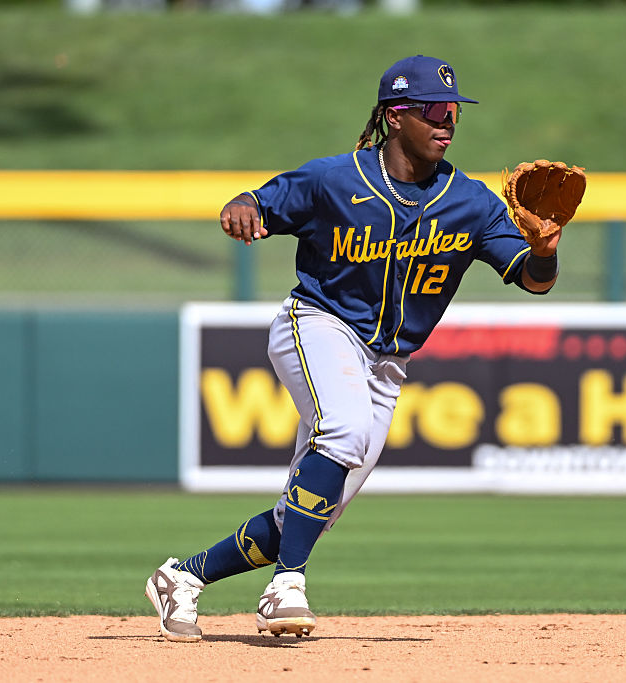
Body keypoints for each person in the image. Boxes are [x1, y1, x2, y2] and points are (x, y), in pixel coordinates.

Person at [145, 55, 564, 642]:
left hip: (388, 365)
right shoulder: (334, 180)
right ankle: (286, 586)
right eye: (434, 111)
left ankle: (183, 578)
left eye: (453, 113)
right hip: (317, 324)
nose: (447, 122)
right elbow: (259, 202)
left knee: (312, 511)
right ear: (396, 116)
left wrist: (544, 248)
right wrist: (242, 206)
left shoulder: (470, 202)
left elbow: (533, 280)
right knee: (339, 434)